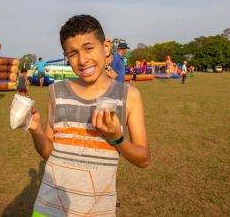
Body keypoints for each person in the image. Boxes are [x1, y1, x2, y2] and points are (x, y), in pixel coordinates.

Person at [28, 14, 150, 217]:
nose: (82, 60)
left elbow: (144, 159)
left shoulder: (129, 96)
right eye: (73, 53)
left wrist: (116, 139)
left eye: (89, 48)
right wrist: (35, 131)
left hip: (97, 211)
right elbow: (49, 152)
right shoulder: (56, 92)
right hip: (48, 209)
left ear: (105, 46)